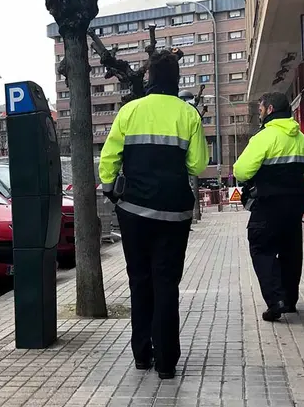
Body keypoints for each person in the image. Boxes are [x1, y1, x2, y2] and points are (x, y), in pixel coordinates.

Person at [98, 49, 208, 379]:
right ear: (176, 81)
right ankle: (167, 362)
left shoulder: (130, 111)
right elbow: (198, 164)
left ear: (150, 79)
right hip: (174, 213)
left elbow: (109, 158)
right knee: (166, 283)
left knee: (140, 280)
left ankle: (142, 355)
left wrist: (110, 188)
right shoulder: (188, 114)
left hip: (133, 211)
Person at [233, 92, 304, 322]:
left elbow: (241, 170)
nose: (259, 114)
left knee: (262, 249)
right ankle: (289, 300)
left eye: (260, 109)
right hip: (295, 205)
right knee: (291, 253)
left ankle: (275, 300)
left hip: (268, 205)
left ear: (269, 109)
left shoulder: (264, 137)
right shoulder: (300, 138)